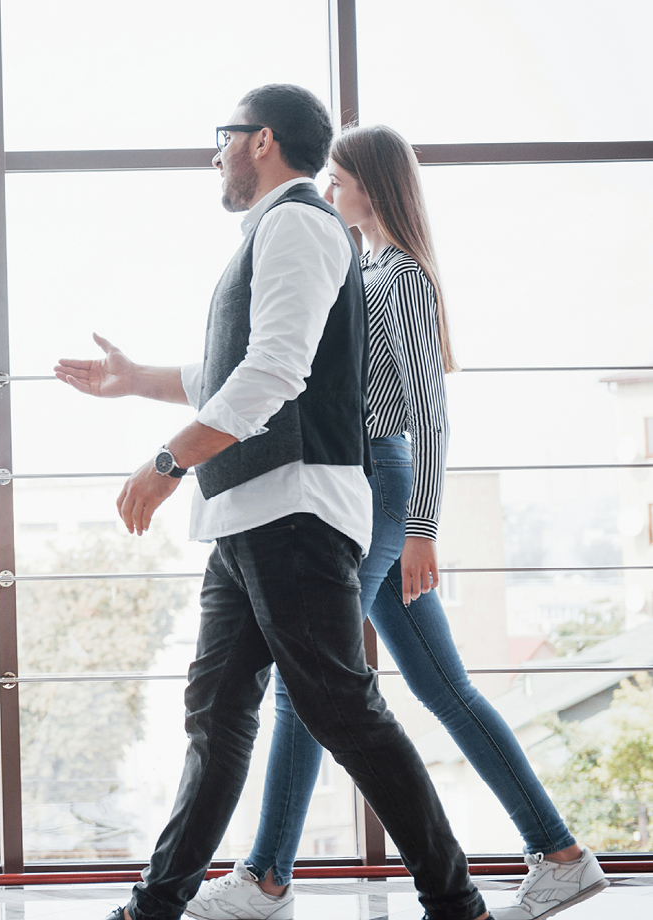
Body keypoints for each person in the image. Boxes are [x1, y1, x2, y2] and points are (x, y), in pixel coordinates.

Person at [55, 85, 489, 920]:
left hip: (291, 511)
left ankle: (457, 904)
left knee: (342, 709)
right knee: (217, 716)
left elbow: (274, 372)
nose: (213, 154)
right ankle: (155, 907)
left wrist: (167, 463)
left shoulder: (297, 224)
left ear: (260, 140)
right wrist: (135, 380)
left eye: (222, 137)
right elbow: (236, 368)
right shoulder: (279, 231)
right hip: (251, 516)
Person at [182, 124, 607, 920]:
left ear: (372, 187)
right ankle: (561, 854)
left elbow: (429, 413)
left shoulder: (402, 276)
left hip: (380, 481)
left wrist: (421, 527)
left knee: (311, 684)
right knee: (439, 685)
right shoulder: (366, 267)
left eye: (339, 181)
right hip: (365, 482)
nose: (328, 192)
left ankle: (267, 878)